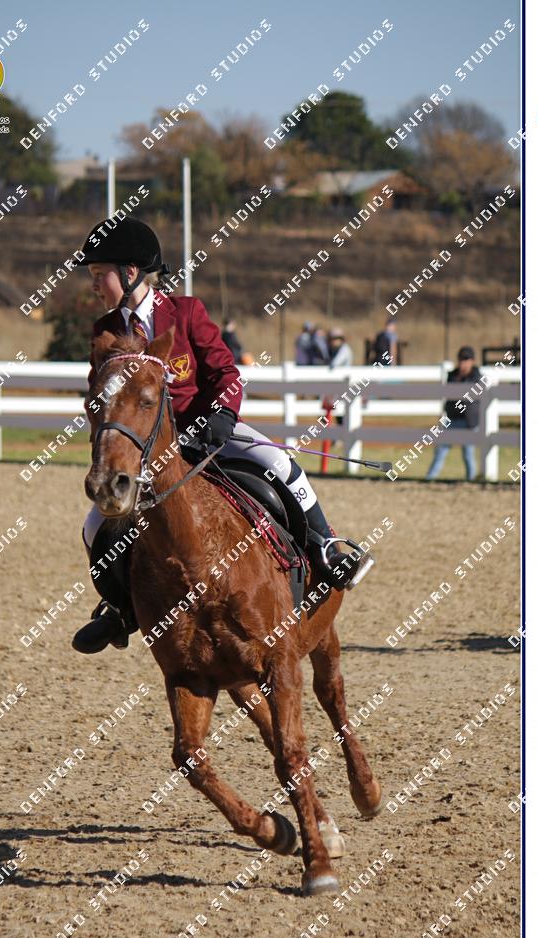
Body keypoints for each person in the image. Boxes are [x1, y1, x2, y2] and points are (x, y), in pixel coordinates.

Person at [71, 219, 374, 654]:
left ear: (130, 272)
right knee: (94, 525)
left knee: (279, 463)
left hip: (207, 428)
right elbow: (99, 396)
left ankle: (324, 547)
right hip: (148, 448)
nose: (95, 285)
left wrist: (222, 417)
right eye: (93, 276)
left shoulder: (185, 312)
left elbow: (226, 373)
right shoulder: (105, 331)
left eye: (100, 275)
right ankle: (119, 608)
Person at [426, 345, 481, 482]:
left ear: (472, 361)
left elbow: (468, 397)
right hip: (452, 419)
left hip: (468, 422)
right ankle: (430, 478)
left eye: (466, 359)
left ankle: (471, 480)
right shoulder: (453, 375)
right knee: (441, 450)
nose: (463, 363)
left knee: (468, 454)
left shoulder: (476, 377)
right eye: (461, 359)